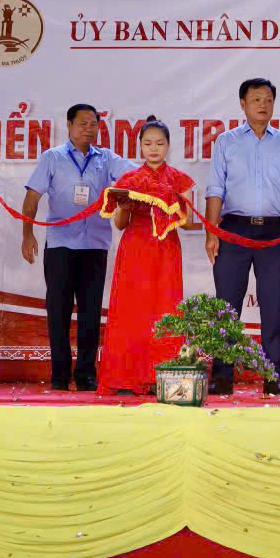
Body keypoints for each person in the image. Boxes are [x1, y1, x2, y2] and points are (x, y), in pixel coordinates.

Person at [22, 104, 136, 391]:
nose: (89, 129)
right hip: (60, 244)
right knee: (58, 311)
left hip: (95, 245)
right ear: (69, 125)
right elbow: (32, 197)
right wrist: (27, 234)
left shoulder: (106, 158)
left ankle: (86, 374)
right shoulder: (52, 157)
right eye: (83, 123)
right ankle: (60, 376)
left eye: (93, 124)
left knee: (90, 313)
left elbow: (137, 175)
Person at [205, 78, 280, 396]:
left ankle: (274, 376)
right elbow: (215, 188)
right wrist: (212, 233)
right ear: (243, 104)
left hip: (275, 231)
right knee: (226, 307)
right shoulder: (226, 141)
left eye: (268, 99)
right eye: (256, 99)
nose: (263, 104)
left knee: (273, 305)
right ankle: (222, 376)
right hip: (233, 229)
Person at [98, 116, 196, 395]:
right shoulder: (128, 180)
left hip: (165, 249)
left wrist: (169, 201)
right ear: (140, 146)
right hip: (135, 249)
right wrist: (125, 206)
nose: (154, 149)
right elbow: (120, 224)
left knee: (165, 309)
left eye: (160, 143)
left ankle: (162, 378)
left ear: (169, 146)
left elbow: (189, 223)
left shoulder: (180, 180)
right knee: (132, 312)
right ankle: (126, 378)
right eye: (148, 143)